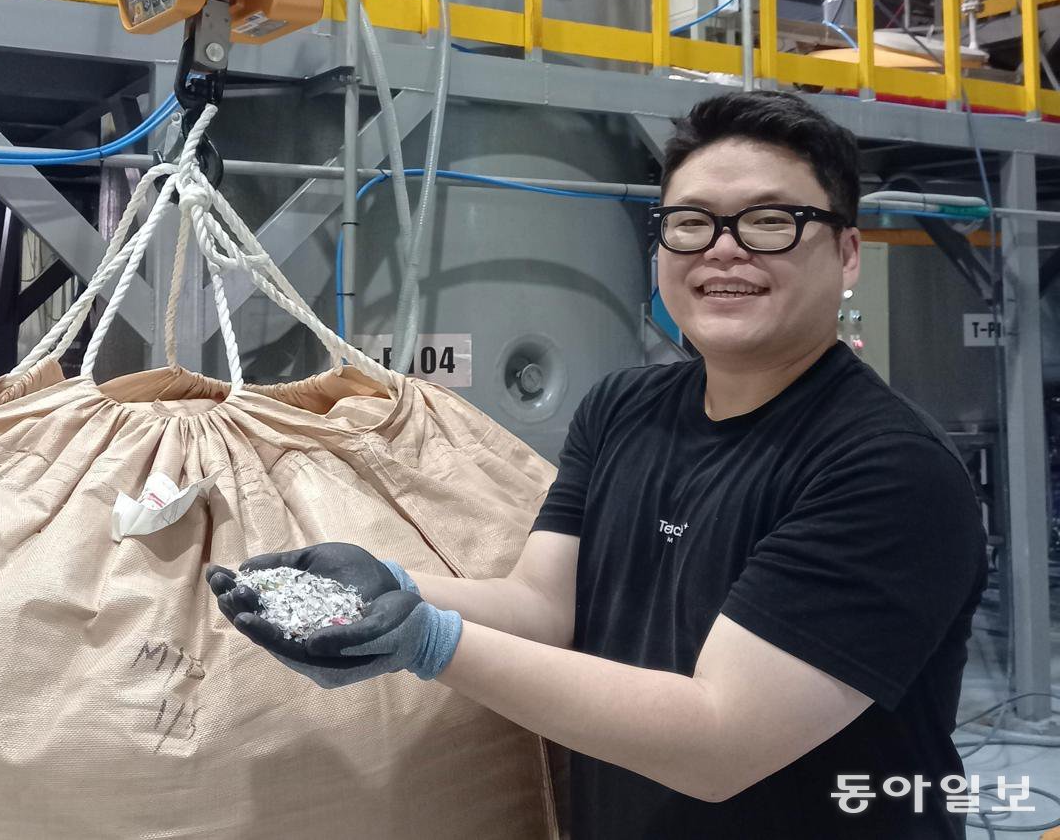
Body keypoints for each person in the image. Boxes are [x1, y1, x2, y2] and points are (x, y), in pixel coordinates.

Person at [207, 90, 987, 839]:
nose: (723, 248)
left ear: (847, 254)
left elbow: (721, 738)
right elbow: (543, 606)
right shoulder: (623, 408)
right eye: (691, 223)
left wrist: (427, 643)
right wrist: (390, 586)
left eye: (770, 221)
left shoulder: (888, 470)